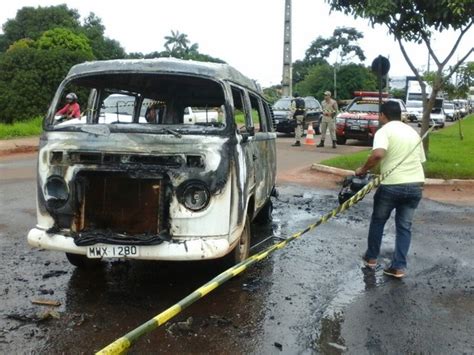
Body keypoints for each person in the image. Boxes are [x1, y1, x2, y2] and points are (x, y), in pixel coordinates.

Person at [355, 100, 425, 279]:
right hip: (415, 185)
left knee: (378, 220)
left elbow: (378, 154)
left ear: (382, 115)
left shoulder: (384, 131)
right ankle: (398, 267)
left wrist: (363, 170)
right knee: (404, 227)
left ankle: (371, 258)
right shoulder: (412, 132)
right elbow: (420, 160)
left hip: (392, 185)